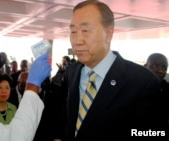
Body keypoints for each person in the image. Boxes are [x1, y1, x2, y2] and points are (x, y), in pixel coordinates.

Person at [57, 0, 166, 139]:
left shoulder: (143, 81)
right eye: (73, 31)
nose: (77, 40)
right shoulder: (72, 71)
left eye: (85, 31)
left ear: (108, 34)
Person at [144, 53, 169, 129]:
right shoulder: (132, 88)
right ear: (145, 67)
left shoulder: (166, 89)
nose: (160, 71)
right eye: (155, 66)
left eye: (164, 68)